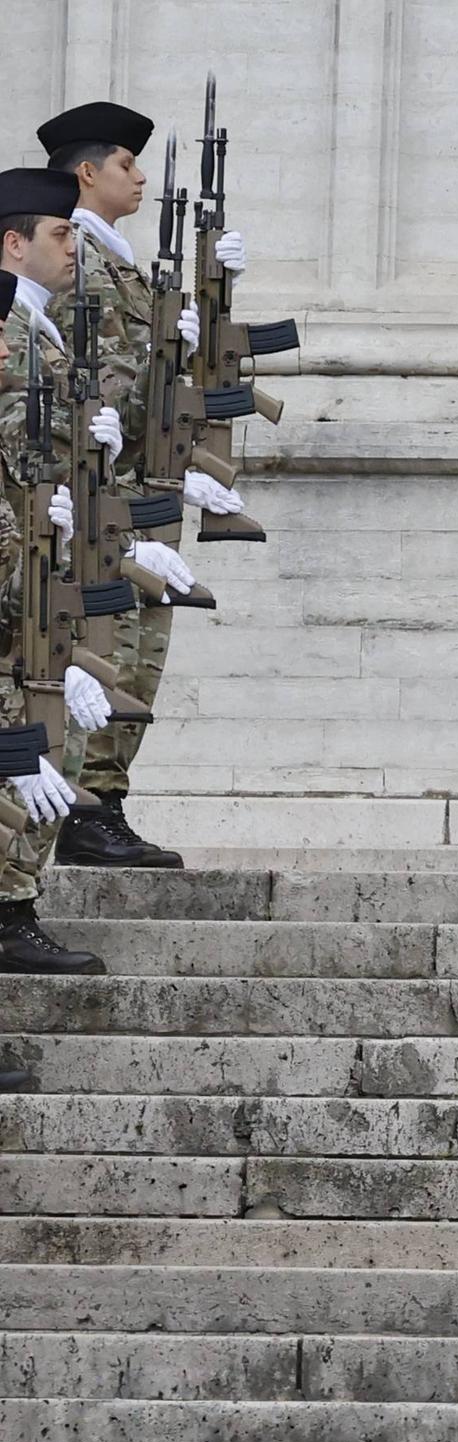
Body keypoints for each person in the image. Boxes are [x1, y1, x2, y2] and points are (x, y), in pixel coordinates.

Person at [40, 98, 238, 872]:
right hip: (101, 498)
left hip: (138, 489)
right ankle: (86, 807)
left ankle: (107, 800)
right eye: (126, 163)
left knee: (141, 653)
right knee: (109, 652)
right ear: (87, 172)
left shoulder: (117, 260)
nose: (140, 176)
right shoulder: (74, 260)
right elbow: (88, 384)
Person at [0, 165, 119, 978]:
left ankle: (14, 907)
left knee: (43, 737)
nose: (73, 244)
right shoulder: (13, 330)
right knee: (26, 738)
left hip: (41, 568)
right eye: (57, 232)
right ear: (13, 242)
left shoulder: (41, 328)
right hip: (19, 578)